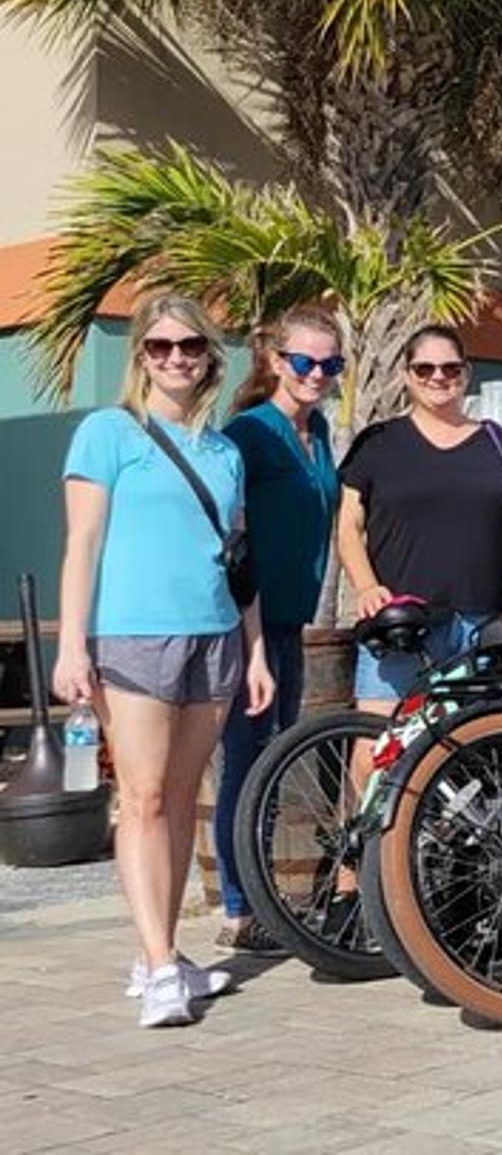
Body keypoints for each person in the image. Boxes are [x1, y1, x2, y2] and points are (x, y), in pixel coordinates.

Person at [51, 293, 276, 1027]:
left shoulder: (224, 450)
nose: (176, 358)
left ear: (211, 356)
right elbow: (82, 543)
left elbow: (239, 560)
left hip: (214, 634)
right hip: (132, 634)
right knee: (142, 796)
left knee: (181, 799)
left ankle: (166, 952)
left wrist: (255, 649)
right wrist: (72, 643)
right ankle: (155, 963)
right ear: (141, 356)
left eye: (190, 345)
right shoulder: (108, 432)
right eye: (160, 346)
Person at [337, 326, 502, 706]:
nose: (438, 377)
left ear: (466, 373)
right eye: (424, 369)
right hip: (402, 623)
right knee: (378, 735)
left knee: (474, 738)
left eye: (450, 368)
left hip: (483, 626)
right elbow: (348, 526)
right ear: (407, 375)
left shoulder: (494, 441)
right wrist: (367, 587)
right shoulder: (378, 444)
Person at [213, 308, 344, 955]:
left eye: (329, 363)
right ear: (274, 360)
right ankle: (239, 909)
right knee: (246, 762)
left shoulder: (318, 431)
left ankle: (259, 895)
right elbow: (229, 534)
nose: (316, 373)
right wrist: (251, 638)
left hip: (293, 620)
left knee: (272, 761)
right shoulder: (249, 433)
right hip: (250, 623)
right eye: (303, 361)